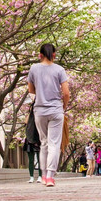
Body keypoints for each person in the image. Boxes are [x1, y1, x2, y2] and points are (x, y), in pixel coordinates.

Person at [27, 43, 70, 187]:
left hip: (40, 110)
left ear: (40, 55)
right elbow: (66, 93)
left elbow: (31, 90)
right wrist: (63, 106)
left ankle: (44, 175)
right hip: (56, 110)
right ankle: (51, 176)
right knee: (54, 144)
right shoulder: (59, 69)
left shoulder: (34, 69)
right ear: (54, 55)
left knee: (44, 143)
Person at [24, 101, 42, 182]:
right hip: (29, 138)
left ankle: (40, 176)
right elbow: (26, 122)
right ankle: (31, 176)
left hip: (38, 138)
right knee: (30, 159)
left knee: (40, 159)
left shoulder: (40, 115)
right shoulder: (29, 116)